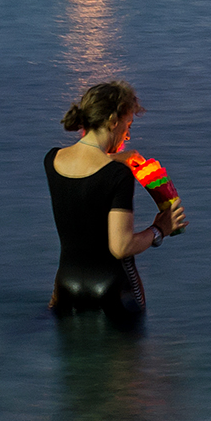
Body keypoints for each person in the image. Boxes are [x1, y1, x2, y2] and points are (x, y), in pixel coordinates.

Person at [47, 80, 184, 326]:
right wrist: (160, 229)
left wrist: (117, 157)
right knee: (130, 365)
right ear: (112, 121)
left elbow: (85, 170)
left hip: (66, 287)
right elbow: (121, 246)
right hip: (114, 291)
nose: (127, 134)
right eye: (127, 125)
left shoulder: (53, 160)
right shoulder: (117, 176)